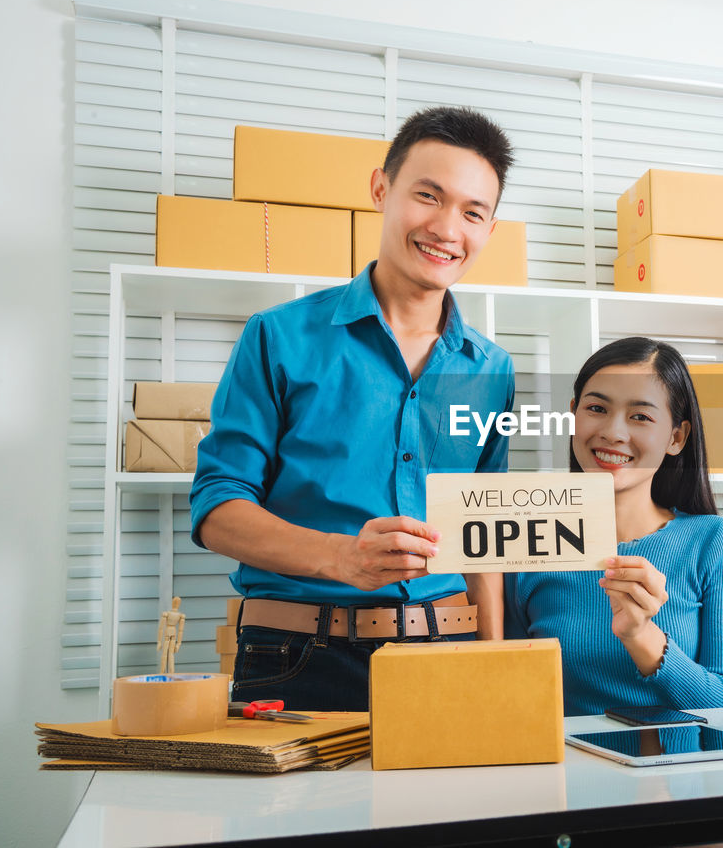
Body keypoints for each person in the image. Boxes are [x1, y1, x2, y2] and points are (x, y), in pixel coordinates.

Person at [190, 106, 516, 711]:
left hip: (448, 648)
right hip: (295, 658)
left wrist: (493, 660)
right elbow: (216, 509)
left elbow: (487, 535)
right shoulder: (278, 337)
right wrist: (342, 556)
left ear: (490, 230)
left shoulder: (492, 371)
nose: (448, 228)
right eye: (429, 195)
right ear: (381, 189)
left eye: (473, 212)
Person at [504, 336, 723, 715]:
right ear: (572, 415)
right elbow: (511, 699)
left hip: (680, 772)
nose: (613, 432)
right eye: (596, 408)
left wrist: (641, 635)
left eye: (640, 416)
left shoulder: (715, 541)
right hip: (567, 772)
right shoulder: (525, 540)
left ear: (676, 437)